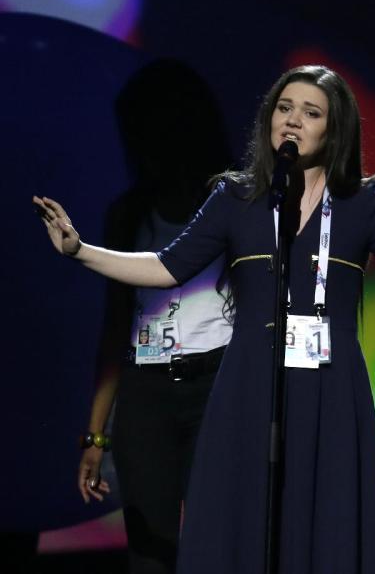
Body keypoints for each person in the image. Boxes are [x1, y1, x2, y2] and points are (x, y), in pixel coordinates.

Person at [34, 65, 375, 574]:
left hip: (330, 389)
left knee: (322, 525)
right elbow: (166, 266)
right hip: (248, 385)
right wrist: (81, 251)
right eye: (284, 108)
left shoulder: (365, 203)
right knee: (243, 522)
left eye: (310, 113)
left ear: (334, 130)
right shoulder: (236, 197)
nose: (293, 121)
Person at [77, 58, 234, 573]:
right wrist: (96, 435)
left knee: (221, 542)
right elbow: (114, 326)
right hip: (145, 393)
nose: (141, 147)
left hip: (219, 385)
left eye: (150, 130)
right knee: (149, 550)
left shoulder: (232, 203)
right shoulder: (128, 215)